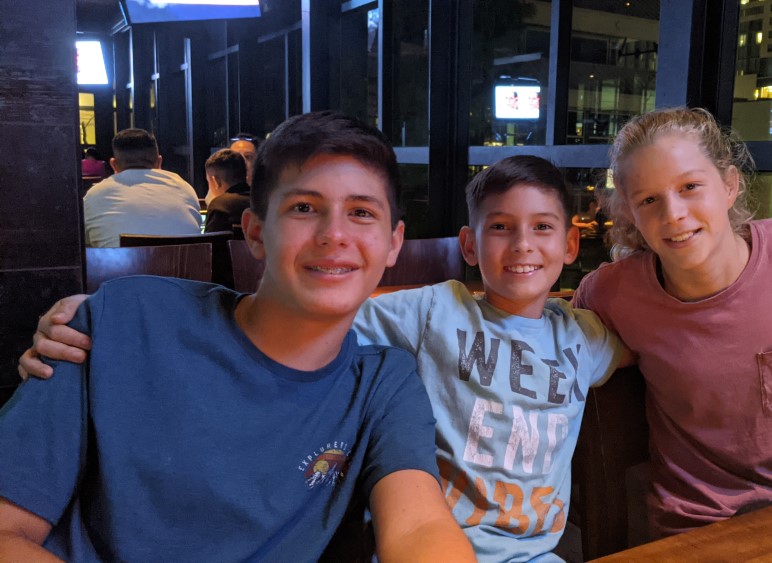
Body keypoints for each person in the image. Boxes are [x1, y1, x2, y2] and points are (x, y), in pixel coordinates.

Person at [20, 155, 632, 562]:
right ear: (469, 245)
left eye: (542, 228)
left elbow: (658, 340)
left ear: (570, 243)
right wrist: (105, 315)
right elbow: (304, 308)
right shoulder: (435, 311)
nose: (523, 245)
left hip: (537, 553)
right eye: (501, 227)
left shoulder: (584, 337)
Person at [0, 112, 474, 562]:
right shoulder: (123, 321)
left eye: (362, 212)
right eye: (304, 207)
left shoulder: (383, 383)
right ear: (255, 233)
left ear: (393, 243)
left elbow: (419, 525)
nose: (334, 234)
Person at [571, 107, 772, 539]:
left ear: (730, 185)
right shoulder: (612, 292)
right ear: (631, 213)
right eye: (648, 200)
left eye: (690, 187)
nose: (673, 213)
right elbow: (547, 347)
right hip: (690, 526)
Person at [83, 128, 202, 247]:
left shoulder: (94, 195)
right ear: (159, 162)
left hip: (119, 260)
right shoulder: (184, 188)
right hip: (184, 259)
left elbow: (83, 246)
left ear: (113, 164)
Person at [203, 148, 251, 234]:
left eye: (208, 181)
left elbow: (210, 241)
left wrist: (213, 203)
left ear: (216, 181)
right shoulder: (263, 202)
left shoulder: (219, 206)